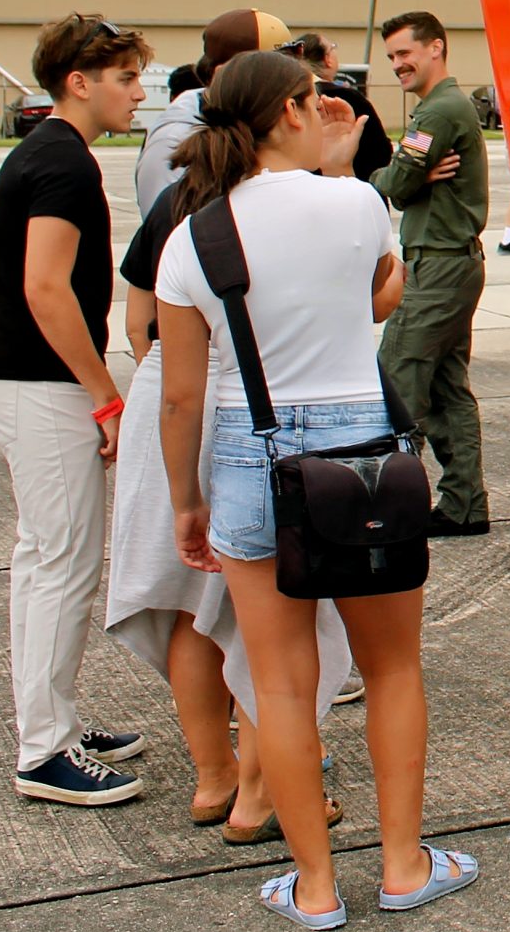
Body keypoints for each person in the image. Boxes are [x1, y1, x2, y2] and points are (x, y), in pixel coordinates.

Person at [156, 50, 477, 929]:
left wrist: (187, 500)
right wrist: (339, 166)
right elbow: (377, 299)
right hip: (359, 447)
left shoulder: (194, 235)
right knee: (393, 666)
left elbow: (181, 394)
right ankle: (407, 864)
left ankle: (316, 886)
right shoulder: (358, 201)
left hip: (244, 448)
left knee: (281, 684)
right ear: (294, 109)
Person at [105, 151, 354, 843]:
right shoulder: (289, 207)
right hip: (242, 393)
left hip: (163, 390)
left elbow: (137, 321)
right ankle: (260, 788)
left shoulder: (176, 203)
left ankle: (213, 776)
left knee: (190, 603)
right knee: (263, 609)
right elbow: (365, 297)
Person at [0, 12, 153, 806]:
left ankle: (54, 719)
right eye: (125, 77)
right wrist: (104, 393)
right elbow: (45, 289)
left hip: (27, 379)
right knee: (62, 563)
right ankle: (43, 751)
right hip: (41, 384)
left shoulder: (52, 151)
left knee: (48, 559)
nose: (138, 91)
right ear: (79, 82)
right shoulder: (63, 164)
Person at [372, 10, 493, 536]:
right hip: (451, 261)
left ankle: (388, 505)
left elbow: (395, 185)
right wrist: (409, 173)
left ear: (436, 48)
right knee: (446, 391)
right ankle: (464, 505)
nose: (398, 64)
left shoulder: (437, 113)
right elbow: (408, 178)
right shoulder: (442, 109)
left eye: (405, 53)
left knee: (394, 382)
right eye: (393, 56)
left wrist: (397, 171)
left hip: (439, 266)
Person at [136, 8, 290, 216]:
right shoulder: (173, 141)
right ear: (223, 73)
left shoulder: (255, 123)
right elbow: (170, 233)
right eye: (274, 77)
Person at [277, 31, 392, 181]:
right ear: (327, 59)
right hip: (356, 187)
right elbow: (381, 153)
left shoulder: (280, 96)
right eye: (332, 48)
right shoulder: (350, 98)